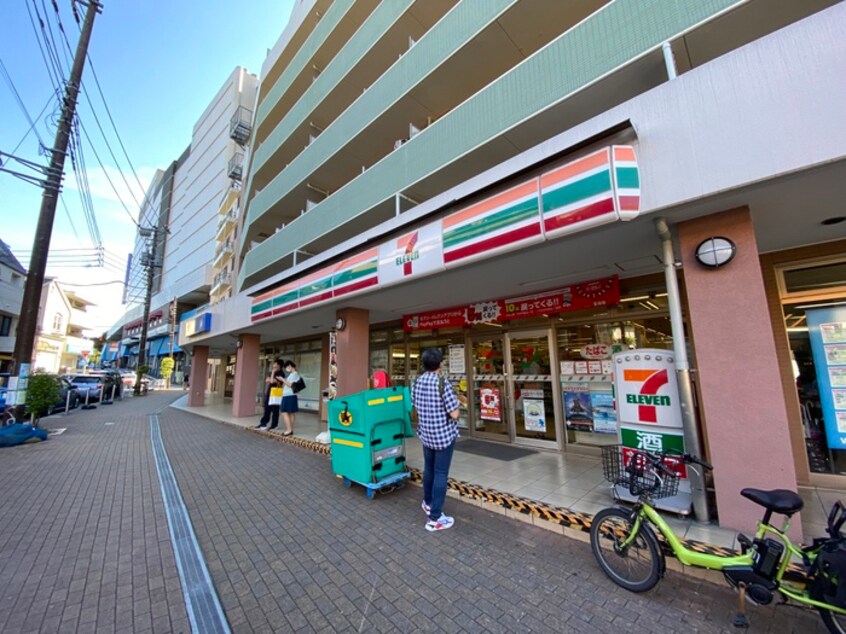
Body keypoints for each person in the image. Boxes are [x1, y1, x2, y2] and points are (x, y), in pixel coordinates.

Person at [412, 348, 460, 532]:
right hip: (443, 437)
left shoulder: (417, 382)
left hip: (426, 434)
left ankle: (428, 502)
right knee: (441, 473)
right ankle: (436, 517)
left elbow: (414, 405)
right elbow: (454, 414)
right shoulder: (443, 383)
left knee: (429, 469)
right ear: (440, 364)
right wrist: (458, 403)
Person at [256, 360, 284, 430]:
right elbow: (267, 380)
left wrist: (273, 374)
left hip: (276, 394)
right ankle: (263, 423)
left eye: (275, 363)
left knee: (275, 410)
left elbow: (271, 381)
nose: (273, 365)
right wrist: (272, 377)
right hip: (269, 392)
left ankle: (274, 425)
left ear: (279, 365)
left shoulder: (281, 373)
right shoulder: (272, 372)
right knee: (267, 408)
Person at [277, 360, 300, 436]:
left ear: (290, 366)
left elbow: (291, 385)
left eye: (286, 367)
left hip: (288, 396)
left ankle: (288, 430)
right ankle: (291, 429)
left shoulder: (294, 374)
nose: (286, 369)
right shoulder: (295, 374)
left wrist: (282, 379)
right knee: (291, 413)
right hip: (292, 395)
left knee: (284, 412)